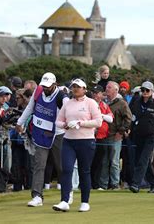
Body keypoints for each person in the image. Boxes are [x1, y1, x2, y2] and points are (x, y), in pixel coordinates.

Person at [15, 72, 68, 207]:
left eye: (48, 86)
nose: (45, 88)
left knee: (60, 166)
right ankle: (37, 196)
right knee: (39, 165)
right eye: (43, 85)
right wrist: (20, 122)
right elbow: (30, 107)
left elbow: (69, 112)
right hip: (41, 133)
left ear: (54, 85)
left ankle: (66, 197)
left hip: (57, 134)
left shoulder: (61, 97)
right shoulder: (38, 92)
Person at [53, 78, 102, 212]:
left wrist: (81, 123)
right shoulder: (68, 103)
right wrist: (65, 125)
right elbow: (58, 121)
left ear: (84, 89)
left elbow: (98, 121)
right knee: (66, 170)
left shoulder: (90, 102)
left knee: (84, 171)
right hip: (69, 141)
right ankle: (64, 201)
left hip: (86, 141)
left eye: (78, 87)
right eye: (73, 86)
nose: (75, 89)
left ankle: (85, 202)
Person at [129, 81, 154, 194]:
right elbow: (131, 115)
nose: (144, 92)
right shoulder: (136, 102)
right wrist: (131, 127)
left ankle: (135, 184)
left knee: (143, 159)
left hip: (151, 135)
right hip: (138, 134)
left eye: (147, 90)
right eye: (143, 90)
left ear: (151, 92)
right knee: (142, 160)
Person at [102, 82, 132, 188]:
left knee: (114, 161)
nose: (107, 89)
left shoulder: (122, 103)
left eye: (109, 87)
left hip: (115, 136)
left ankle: (115, 183)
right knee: (104, 161)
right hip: (103, 136)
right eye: (106, 87)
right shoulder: (103, 102)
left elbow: (128, 118)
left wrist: (121, 132)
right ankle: (103, 184)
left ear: (116, 90)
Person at [89, 85, 114, 190]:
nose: (95, 95)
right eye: (94, 93)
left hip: (102, 137)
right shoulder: (88, 104)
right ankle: (88, 184)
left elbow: (110, 119)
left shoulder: (104, 105)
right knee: (90, 161)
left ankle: (96, 184)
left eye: (97, 93)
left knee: (99, 162)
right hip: (90, 137)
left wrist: (101, 116)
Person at [10, 88, 33, 191]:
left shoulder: (30, 110)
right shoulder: (15, 109)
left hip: (28, 142)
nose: (17, 99)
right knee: (16, 166)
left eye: (18, 97)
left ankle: (30, 187)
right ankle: (17, 187)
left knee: (29, 167)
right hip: (17, 142)